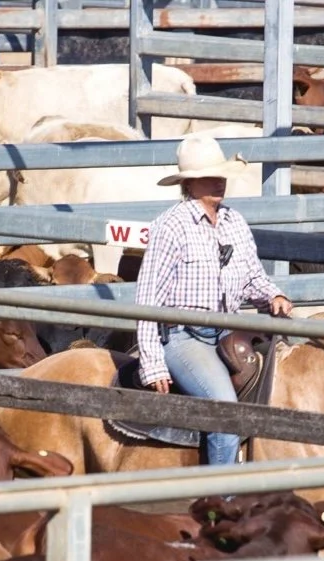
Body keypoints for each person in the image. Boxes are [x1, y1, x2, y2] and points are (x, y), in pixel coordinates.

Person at [135, 133, 293, 466]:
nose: (219, 182)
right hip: (183, 337)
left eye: (220, 174)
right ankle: (223, 504)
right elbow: (148, 300)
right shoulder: (171, 227)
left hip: (229, 332)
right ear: (189, 184)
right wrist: (153, 363)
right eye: (209, 176)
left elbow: (252, 277)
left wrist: (273, 295)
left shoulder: (235, 222)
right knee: (227, 413)